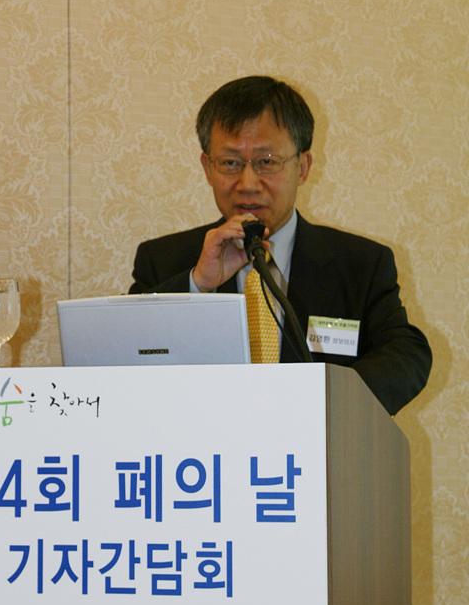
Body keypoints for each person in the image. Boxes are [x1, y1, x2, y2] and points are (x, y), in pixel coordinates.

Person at [129, 75, 432, 415]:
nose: (247, 183)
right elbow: (124, 356)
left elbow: (407, 354)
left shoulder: (361, 264)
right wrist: (198, 285)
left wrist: (325, 401)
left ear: (302, 167)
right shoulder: (163, 260)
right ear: (207, 168)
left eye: (267, 161)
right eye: (230, 163)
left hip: (315, 444)